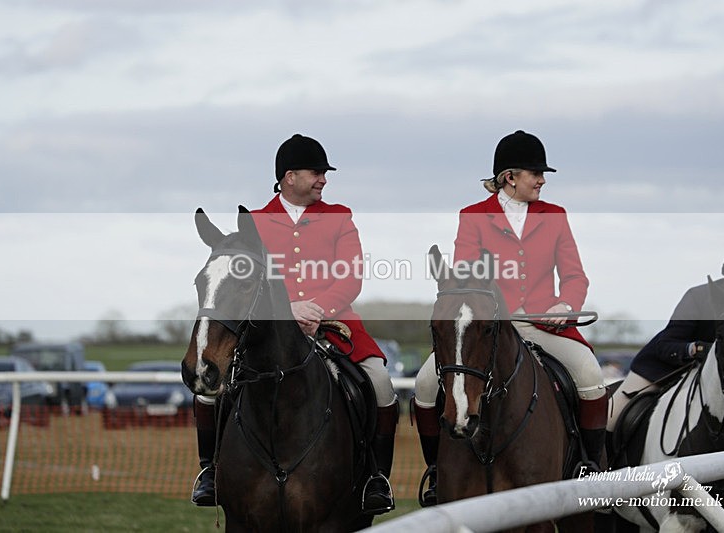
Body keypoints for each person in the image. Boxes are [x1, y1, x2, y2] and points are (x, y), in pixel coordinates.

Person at [191, 134, 399, 515]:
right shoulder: (253, 222)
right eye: (317, 172)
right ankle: (210, 471)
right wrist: (288, 309)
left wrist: (317, 307)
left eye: (324, 173)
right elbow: (246, 281)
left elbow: (351, 277)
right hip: (271, 331)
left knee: (380, 384)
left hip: (337, 326)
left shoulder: (340, 217)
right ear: (289, 176)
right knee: (209, 392)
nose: (323, 179)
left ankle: (375, 478)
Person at [412, 130, 606, 506]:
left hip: (542, 324)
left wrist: (564, 307)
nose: (542, 180)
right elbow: (467, 274)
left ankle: (588, 466)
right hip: (487, 328)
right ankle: (437, 471)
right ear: (509, 177)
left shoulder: (555, 215)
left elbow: (575, 276)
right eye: (535, 173)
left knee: (590, 375)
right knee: (423, 385)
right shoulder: (473, 217)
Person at [606, 238, 724, 436]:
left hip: (714, 378)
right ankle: (597, 465)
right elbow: (665, 344)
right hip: (663, 371)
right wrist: (696, 349)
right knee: (611, 418)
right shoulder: (698, 297)